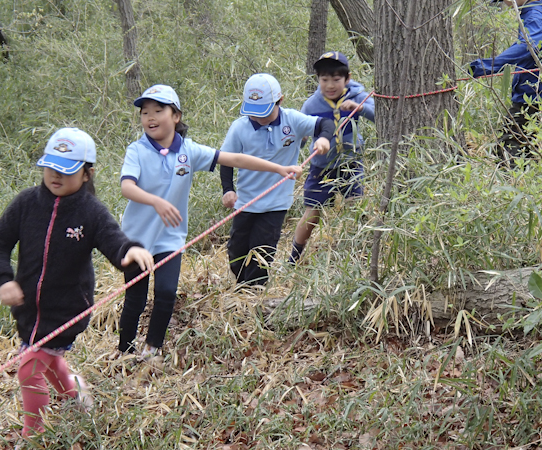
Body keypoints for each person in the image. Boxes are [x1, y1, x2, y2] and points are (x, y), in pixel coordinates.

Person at [0, 128, 154, 438]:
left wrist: (130, 251)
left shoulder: (91, 212)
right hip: (28, 309)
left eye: (66, 171)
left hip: (67, 309)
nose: (55, 176)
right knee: (47, 360)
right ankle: (76, 394)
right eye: (50, 168)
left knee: (30, 368)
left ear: (87, 174)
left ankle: (32, 435)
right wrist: (4, 279)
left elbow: (113, 241)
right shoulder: (26, 203)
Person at [118, 84, 303, 359]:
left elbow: (236, 158)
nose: (150, 117)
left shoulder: (189, 152)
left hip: (170, 238)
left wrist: (278, 168)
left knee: (166, 293)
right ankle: (124, 350)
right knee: (136, 299)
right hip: (136, 240)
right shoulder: (137, 150)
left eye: (158, 110)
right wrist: (156, 201)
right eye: (145, 112)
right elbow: (127, 187)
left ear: (176, 116)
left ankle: (153, 348)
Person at [220, 73, 334, 285]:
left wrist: (324, 139)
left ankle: (253, 295)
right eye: (253, 113)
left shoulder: (293, 120)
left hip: (275, 204)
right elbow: (226, 160)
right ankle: (242, 286)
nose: (258, 118)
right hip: (245, 202)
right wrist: (228, 189)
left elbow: (325, 124)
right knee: (236, 252)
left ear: (280, 101)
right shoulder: (240, 127)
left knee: (262, 252)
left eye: (264, 112)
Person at [288, 51, 375, 264]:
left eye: (336, 79)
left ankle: (358, 253)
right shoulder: (311, 105)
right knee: (312, 212)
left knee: (355, 205)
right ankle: (294, 257)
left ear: (348, 78)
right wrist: (294, 153)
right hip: (321, 166)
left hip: (351, 163)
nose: (330, 85)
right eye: (324, 80)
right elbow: (300, 133)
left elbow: (379, 115)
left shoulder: (358, 96)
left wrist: (359, 108)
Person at [470, 0, 542, 161]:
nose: (507, 3)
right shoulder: (533, 12)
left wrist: (485, 66)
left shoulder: (535, 14)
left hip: (532, 99)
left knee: (509, 151)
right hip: (530, 96)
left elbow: (528, 46)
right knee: (526, 152)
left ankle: (513, 182)